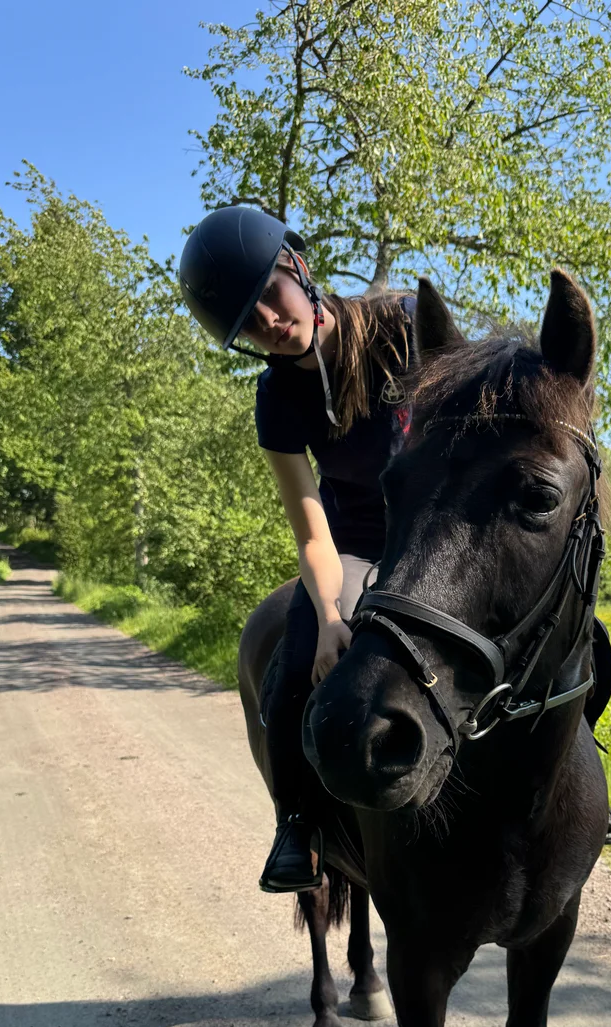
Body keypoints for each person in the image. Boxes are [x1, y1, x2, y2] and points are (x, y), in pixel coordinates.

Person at [179, 201, 416, 891]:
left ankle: (573, 787)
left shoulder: (401, 327)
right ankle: (296, 824)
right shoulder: (277, 398)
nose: (270, 325)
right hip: (355, 548)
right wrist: (332, 618)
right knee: (290, 669)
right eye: (248, 325)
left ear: (298, 267)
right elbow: (311, 525)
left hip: (440, 529)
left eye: (270, 298)